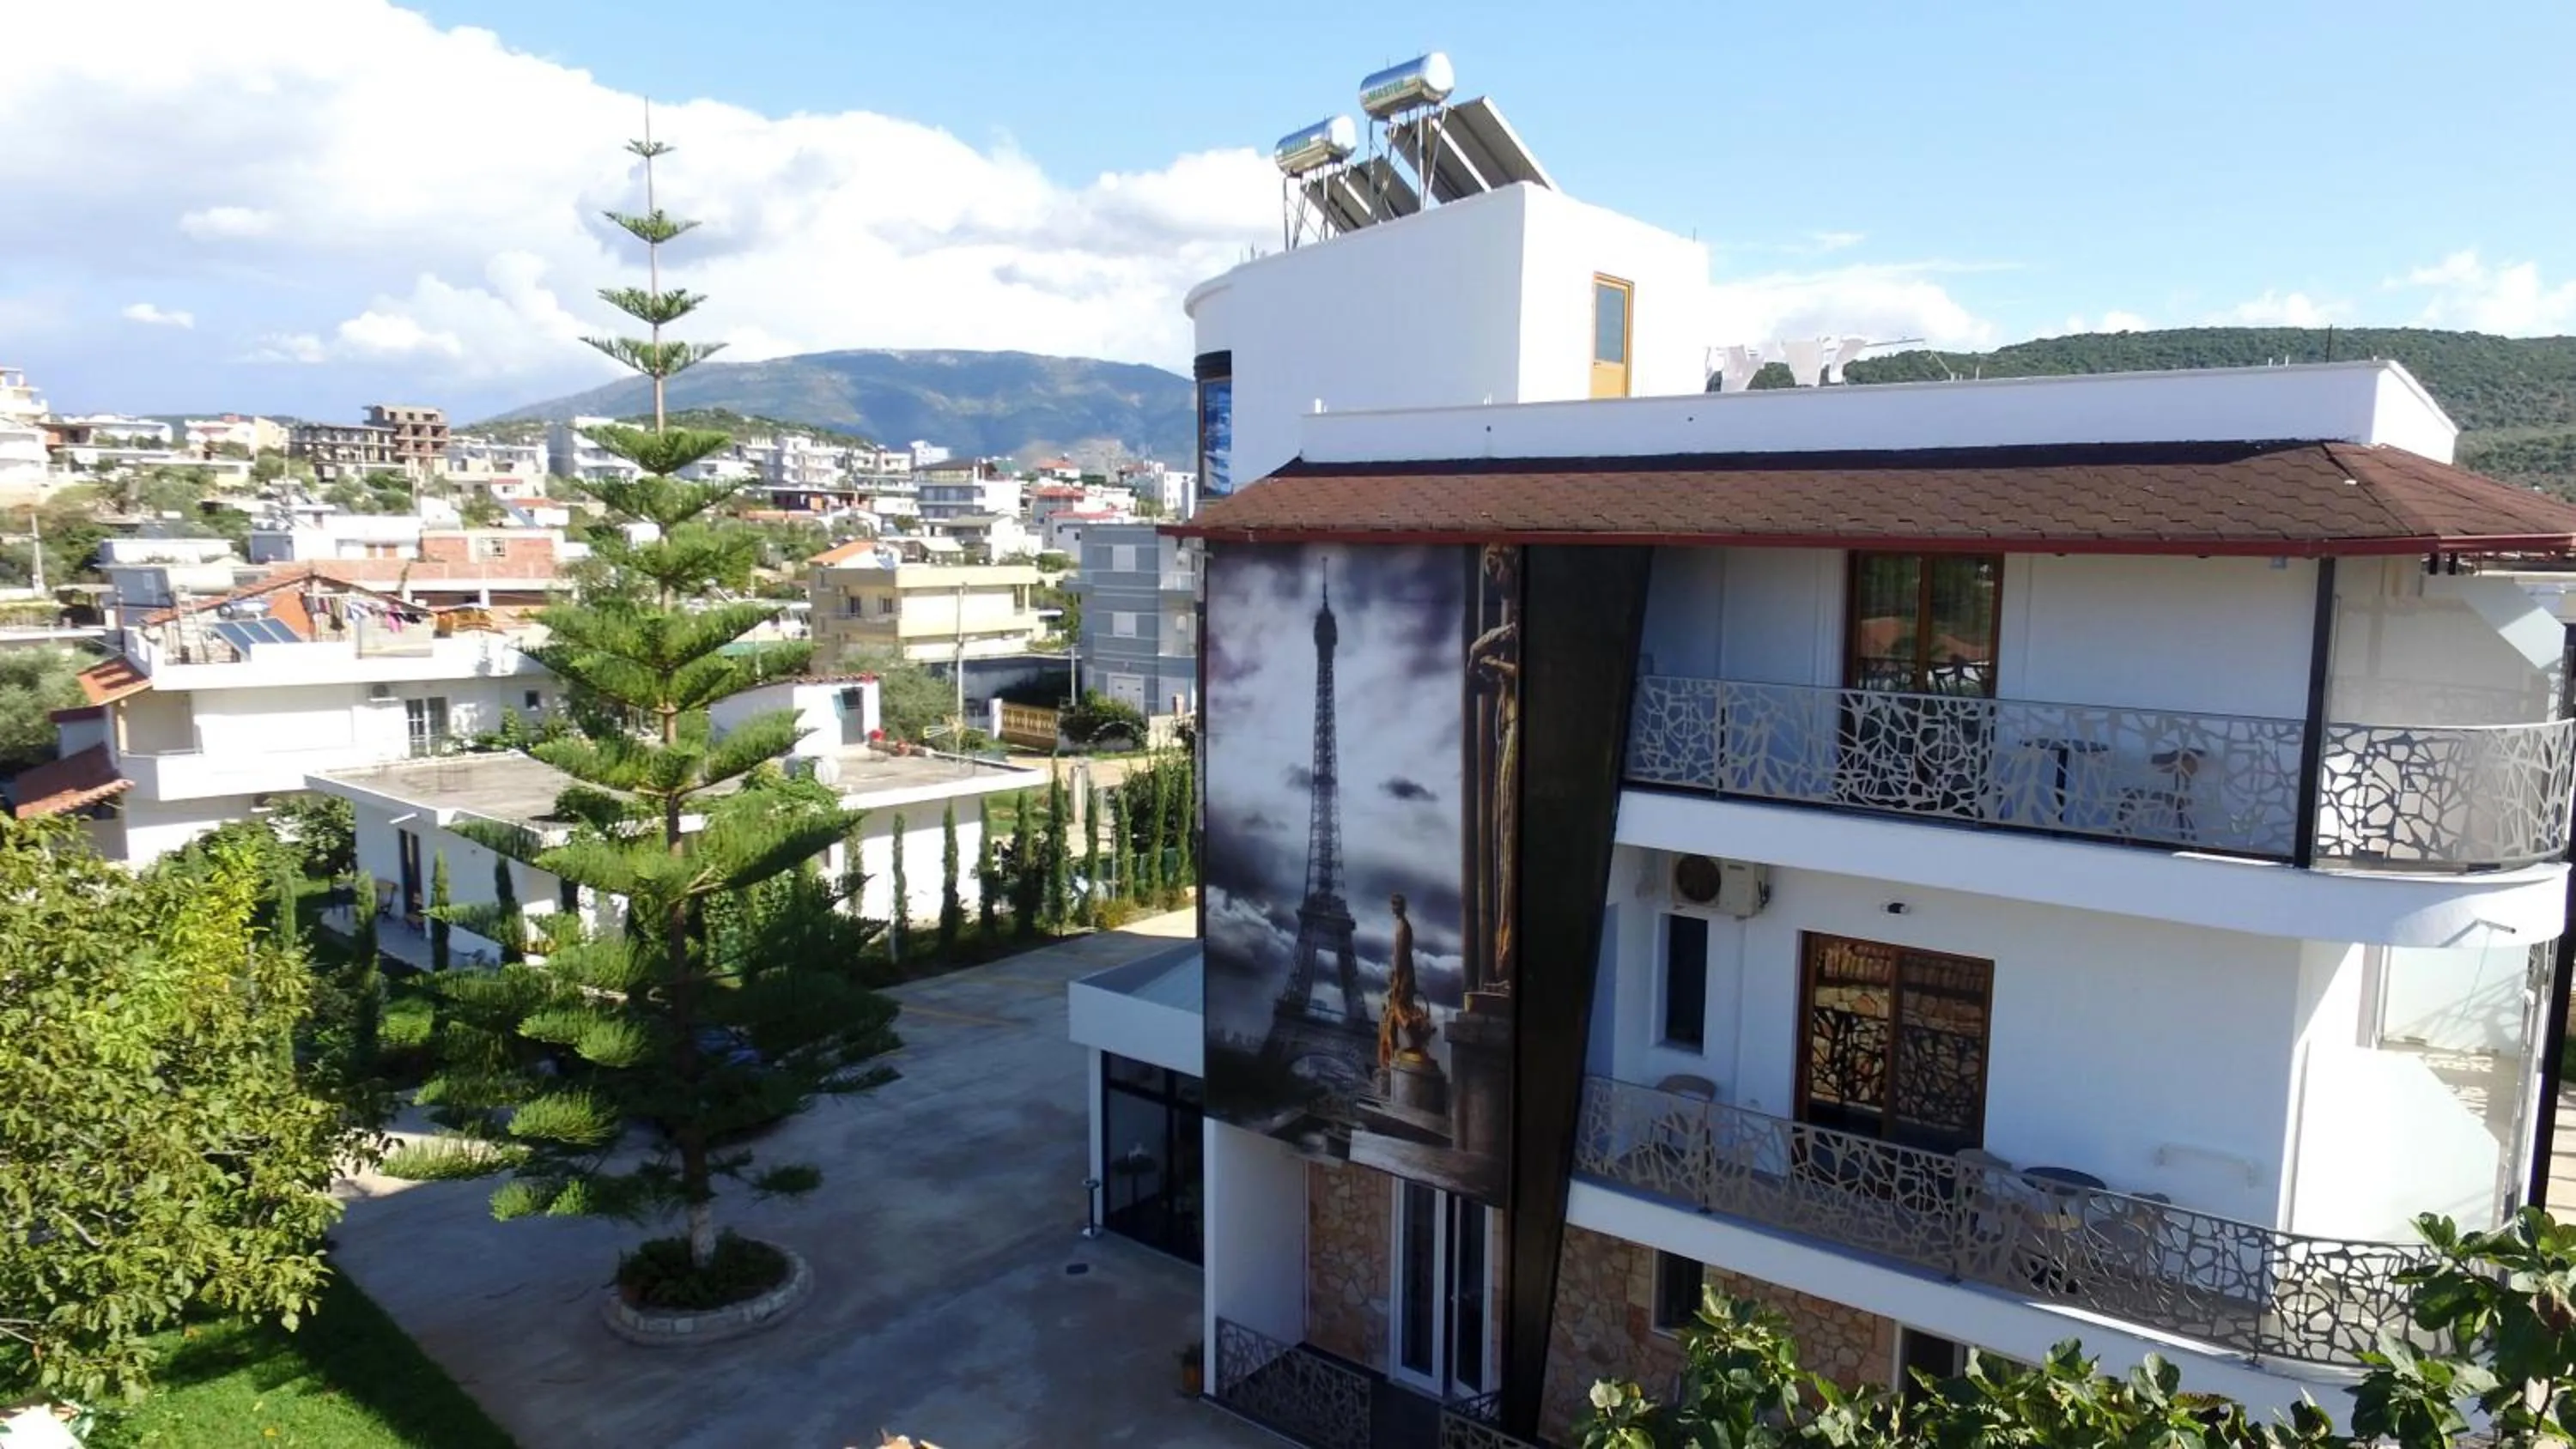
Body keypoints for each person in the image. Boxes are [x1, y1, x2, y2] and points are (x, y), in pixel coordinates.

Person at [1376, 892, 1432, 1070]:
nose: (1394, 907)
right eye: (1393, 904)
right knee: (1395, 1012)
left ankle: (1416, 1038)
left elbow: (1400, 956)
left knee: (1397, 1011)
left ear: (1402, 907)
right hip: (1404, 974)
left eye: (1397, 904)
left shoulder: (1402, 927)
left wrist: (1396, 978)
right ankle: (1397, 1050)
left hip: (1403, 976)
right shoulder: (1402, 925)